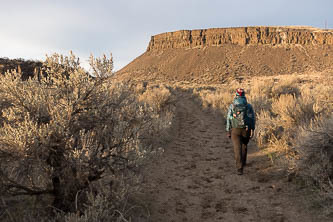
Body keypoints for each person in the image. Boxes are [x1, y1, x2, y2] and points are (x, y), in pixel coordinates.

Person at [226, 88, 255, 175]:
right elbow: (252, 118)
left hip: (235, 129)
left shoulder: (232, 106)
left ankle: (239, 168)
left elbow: (228, 118)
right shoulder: (248, 106)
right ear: (244, 95)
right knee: (244, 145)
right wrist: (252, 129)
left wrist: (228, 130)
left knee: (237, 148)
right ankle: (244, 162)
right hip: (246, 129)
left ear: (236, 95)